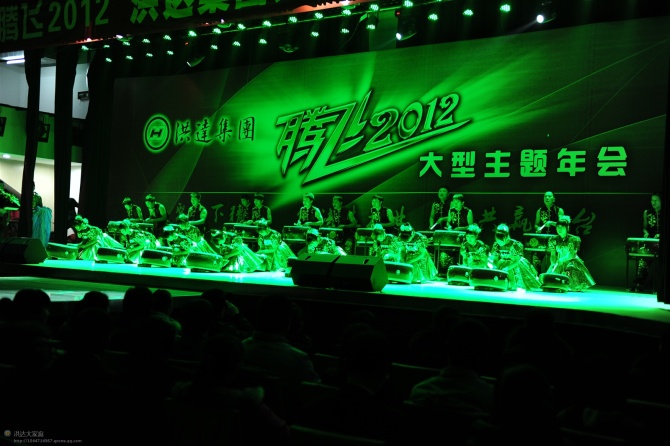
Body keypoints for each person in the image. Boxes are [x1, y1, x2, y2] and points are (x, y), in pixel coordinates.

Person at [547, 216, 595, 291]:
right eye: (558, 227)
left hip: (571, 261)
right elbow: (553, 254)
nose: (559, 229)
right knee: (551, 282)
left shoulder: (573, 239)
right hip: (559, 262)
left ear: (567, 228)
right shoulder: (553, 239)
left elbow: (571, 255)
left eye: (562, 227)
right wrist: (553, 263)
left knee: (570, 278)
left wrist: (562, 260)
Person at [489, 223, 541, 292]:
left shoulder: (515, 245)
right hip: (503, 263)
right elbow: (495, 259)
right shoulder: (496, 245)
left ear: (506, 237)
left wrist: (507, 268)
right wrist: (495, 267)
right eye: (498, 240)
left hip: (516, 264)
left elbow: (517, 261)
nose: (499, 243)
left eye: (501, 241)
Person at [630, 192, 661, 293]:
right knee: (642, 261)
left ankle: (657, 287)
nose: (653, 202)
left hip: (662, 245)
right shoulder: (647, 212)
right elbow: (644, 228)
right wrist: (646, 233)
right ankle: (639, 284)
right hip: (650, 243)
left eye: (656, 200)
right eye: (652, 200)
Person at [532, 191, 565, 274]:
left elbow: (563, 224)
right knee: (536, 258)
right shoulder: (540, 211)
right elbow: (536, 224)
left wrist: (552, 223)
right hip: (542, 239)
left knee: (555, 260)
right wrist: (538, 228)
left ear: (553, 199)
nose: (547, 198)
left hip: (555, 239)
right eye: (545, 196)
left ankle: (555, 277)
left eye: (549, 196)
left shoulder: (559, 210)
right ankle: (537, 277)